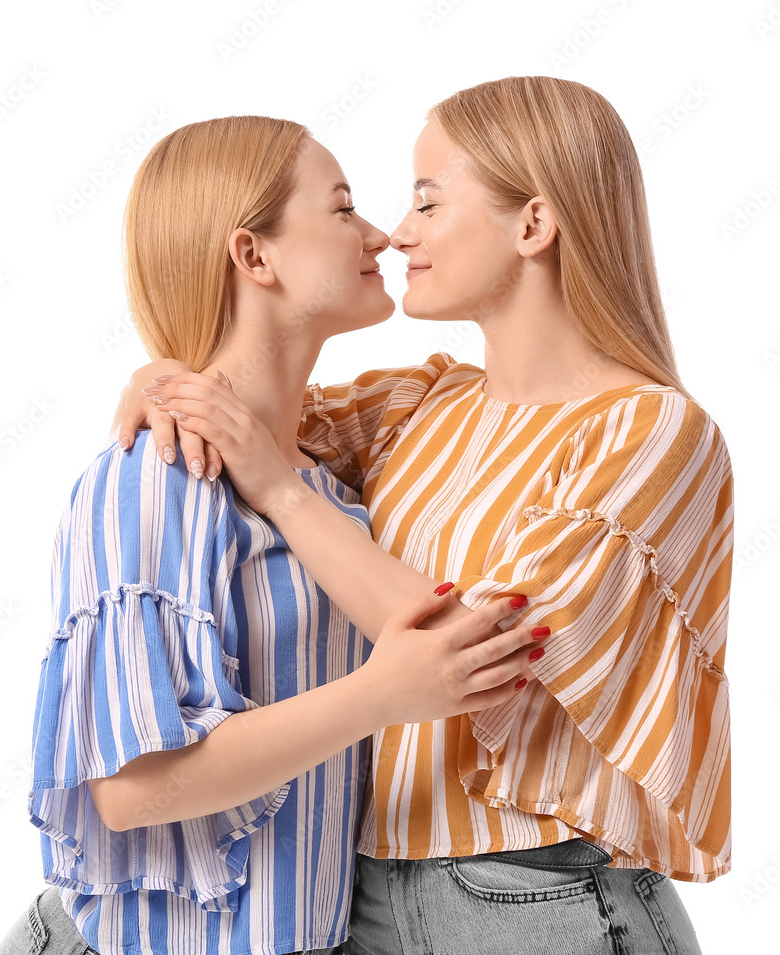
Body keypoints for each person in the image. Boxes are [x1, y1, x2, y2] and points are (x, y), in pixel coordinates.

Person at [114, 77, 733, 954]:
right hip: (361, 898)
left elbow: (479, 651)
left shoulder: (650, 429)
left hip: (539, 898)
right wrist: (155, 380)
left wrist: (286, 493)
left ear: (533, 226)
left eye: (427, 201)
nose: (399, 232)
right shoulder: (422, 406)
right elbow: (248, 409)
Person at [0, 115, 545, 955]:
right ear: (254, 256)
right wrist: (380, 696)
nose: (382, 234)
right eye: (342, 208)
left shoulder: (329, 487)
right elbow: (130, 789)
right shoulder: (150, 480)